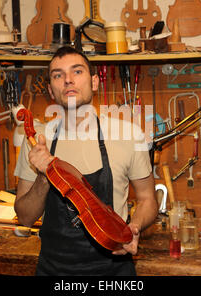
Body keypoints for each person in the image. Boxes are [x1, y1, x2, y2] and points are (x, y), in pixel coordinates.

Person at [14, 46, 158, 276]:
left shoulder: (130, 134)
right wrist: (44, 175)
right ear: (51, 90)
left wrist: (136, 226)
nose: (68, 80)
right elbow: (25, 217)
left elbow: (148, 199)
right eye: (58, 75)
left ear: (94, 82)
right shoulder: (37, 141)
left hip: (113, 271)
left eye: (77, 72)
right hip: (54, 270)